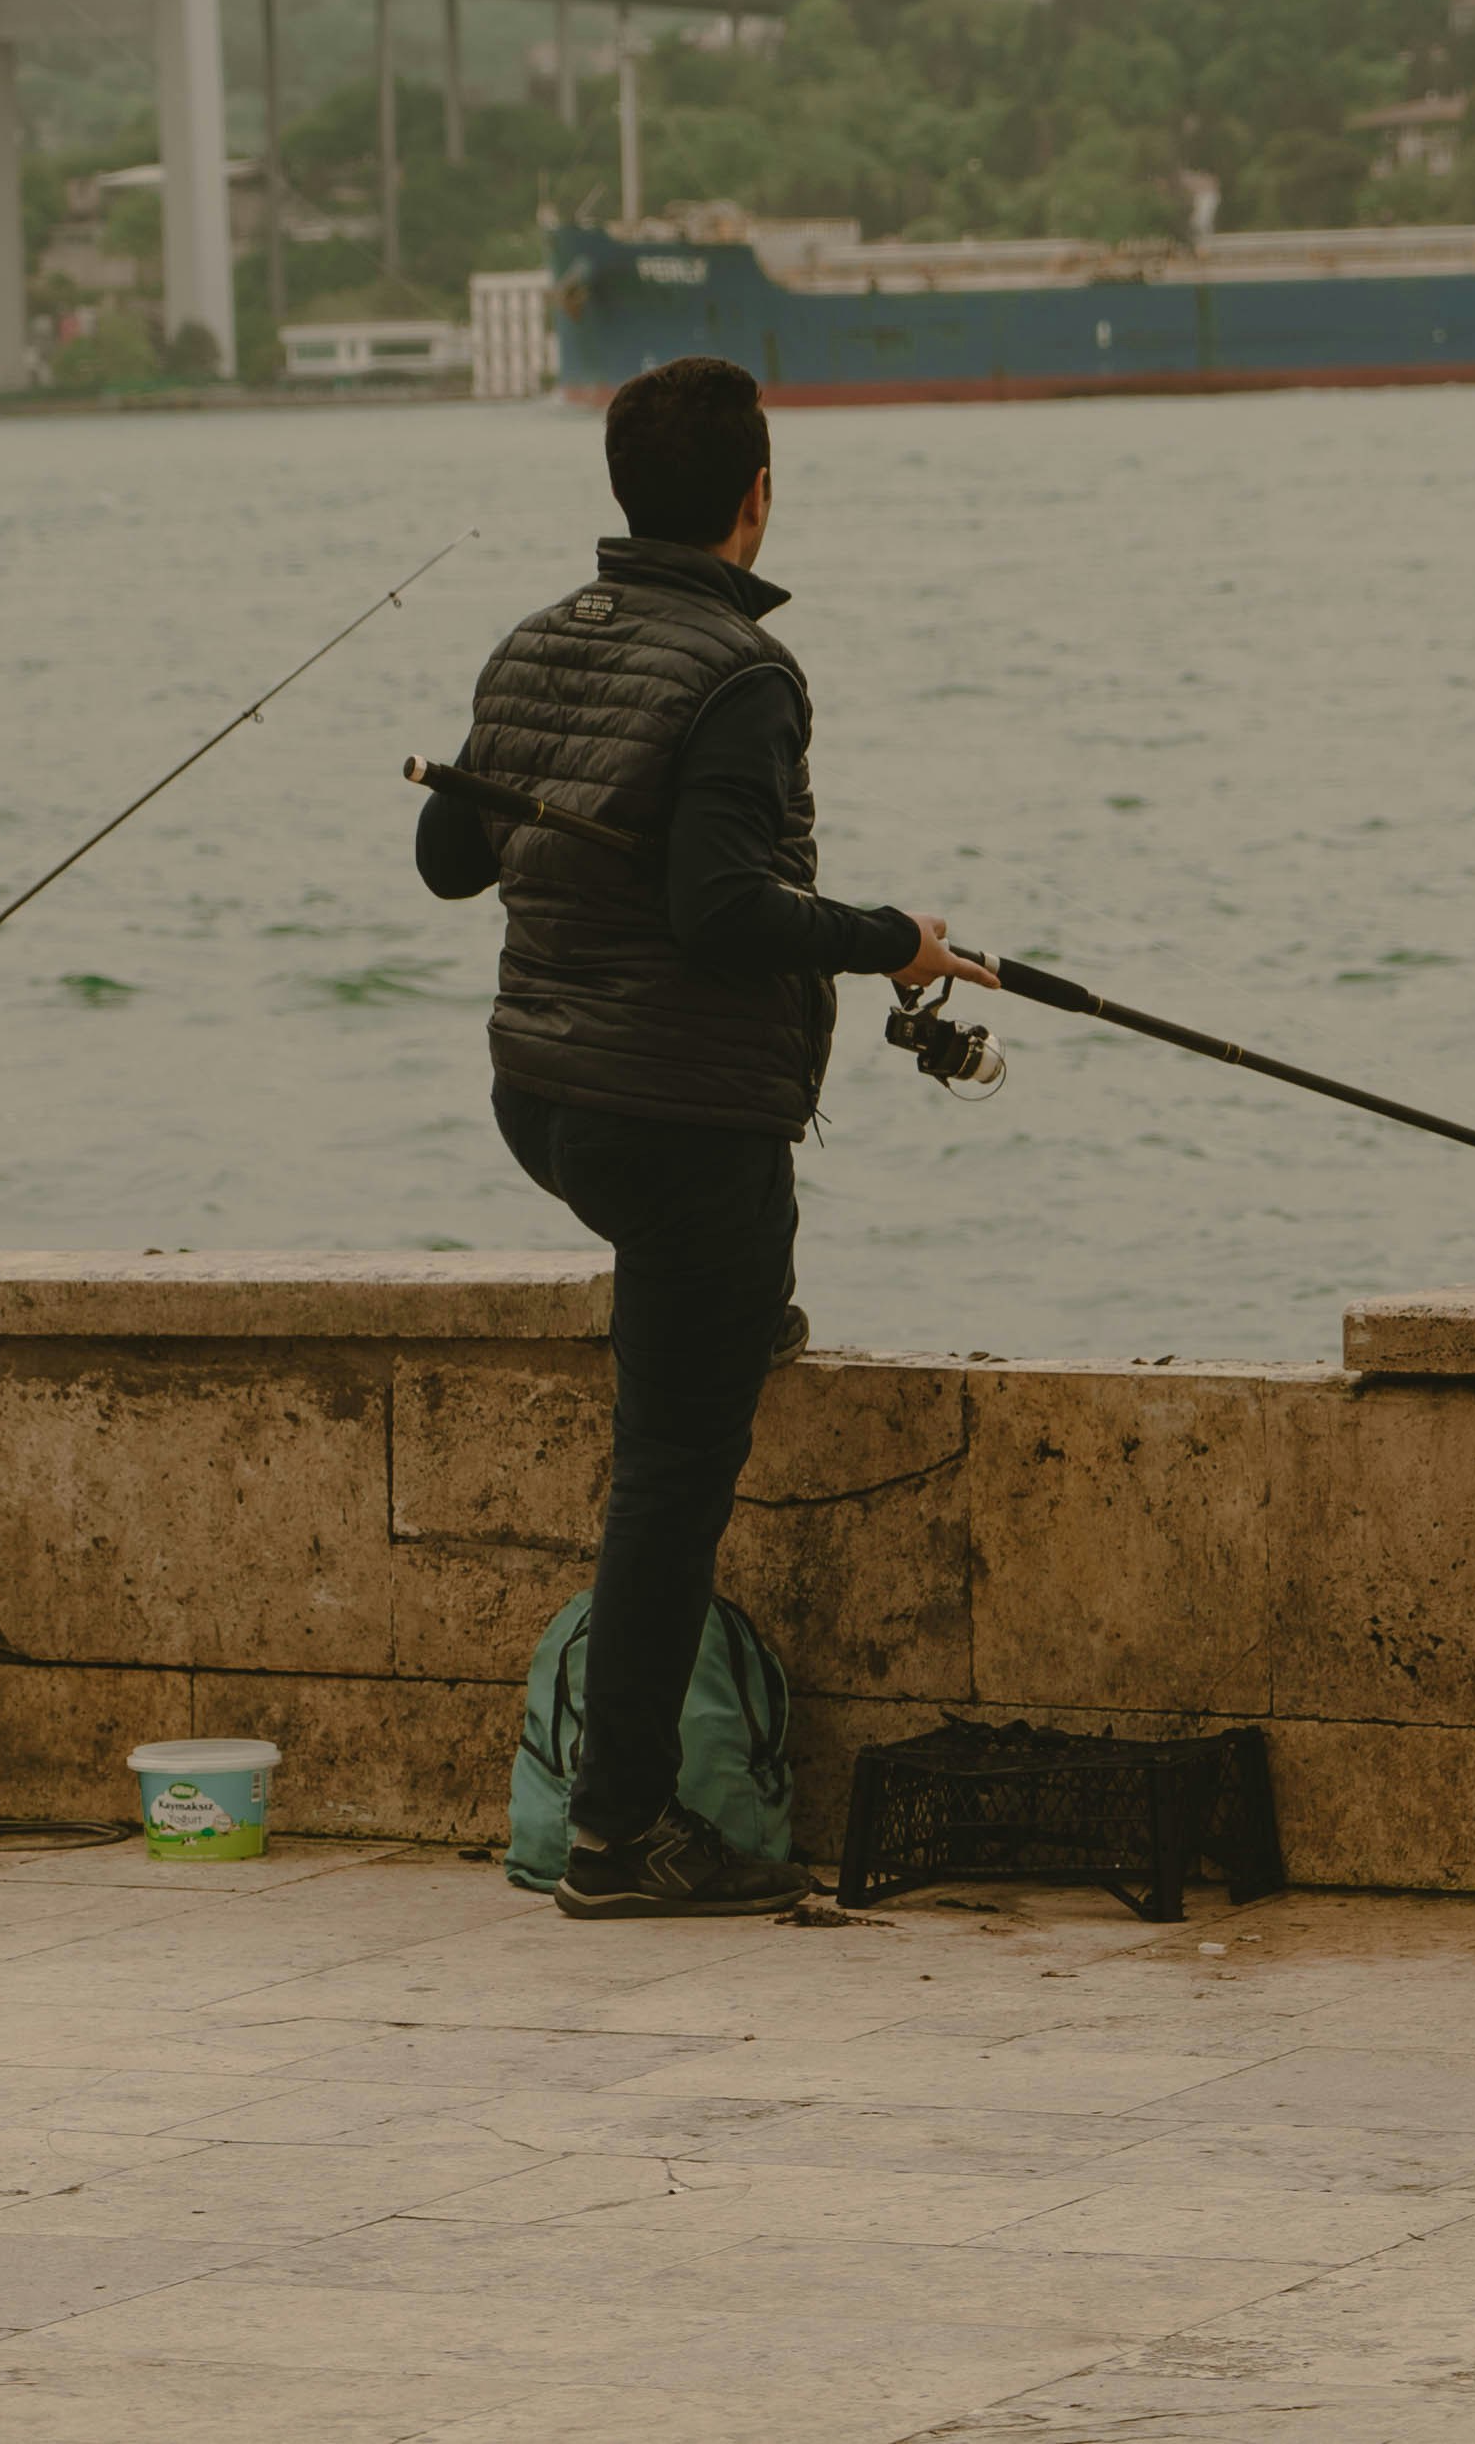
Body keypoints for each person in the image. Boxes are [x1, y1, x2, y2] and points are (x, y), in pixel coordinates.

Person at [418, 355, 990, 1919]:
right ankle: (618, 1836)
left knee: (711, 1301)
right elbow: (720, 911)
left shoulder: (536, 646)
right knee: (672, 1473)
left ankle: (735, 1308)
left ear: (624, 490)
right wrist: (896, 938)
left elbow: (444, 862)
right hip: (677, 1118)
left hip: (543, 1093)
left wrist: (540, 770)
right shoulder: (742, 674)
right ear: (755, 497)